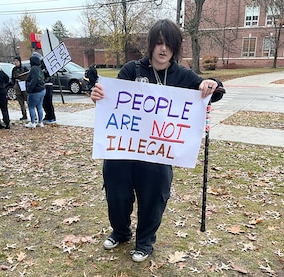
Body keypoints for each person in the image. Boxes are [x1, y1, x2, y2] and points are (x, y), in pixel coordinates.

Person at [90, 19, 221, 262]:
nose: (163, 49)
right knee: (117, 195)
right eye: (159, 43)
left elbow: (216, 90)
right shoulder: (132, 70)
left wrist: (209, 84)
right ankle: (120, 231)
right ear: (151, 45)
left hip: (157, 154)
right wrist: (98, 96)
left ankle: (145, 242)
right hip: (123, 150)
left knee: (154, 197)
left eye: (169, 44)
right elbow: (112, 100)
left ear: (175, 47)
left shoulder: (182, 75)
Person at [24, 54, 46, 128]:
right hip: (42, 89)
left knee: (31, 106)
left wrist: (29, 89)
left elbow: (34, 80)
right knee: (39, 106)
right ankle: (40, 122)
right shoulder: (39, 69)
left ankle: (32, 122)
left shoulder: (33, 69)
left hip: (35, 91)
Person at [11, 56, 29, 120]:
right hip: (17, 84)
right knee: (20, 101)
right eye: (15, 61)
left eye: (17, 61)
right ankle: (24, 114)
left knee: (27, 99)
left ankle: (33, 115)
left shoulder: (24, 68)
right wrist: (13, 85)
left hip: (23, 84)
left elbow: (27, 75)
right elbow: (12, 78)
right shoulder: (14, 69)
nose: (15, 62)